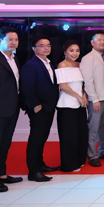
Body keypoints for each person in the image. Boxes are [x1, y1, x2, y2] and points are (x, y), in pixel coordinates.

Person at [0, 27, 23, 192]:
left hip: (12, 109)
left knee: (5, 143)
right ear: (0, 40)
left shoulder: (15, 59)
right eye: (10, 39)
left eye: (16, 39)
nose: (13, 42)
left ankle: (1, 174)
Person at [21, 35, 59, 182]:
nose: (46, 48)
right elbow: (27, 88)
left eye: (48, 45)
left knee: (42, 137)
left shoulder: (49, 63)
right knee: (36, 139)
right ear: (34, 48)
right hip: (39, 108)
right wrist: (35, 105)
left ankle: (40, 164)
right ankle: (33, 171)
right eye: (42, 45)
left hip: (49, 107)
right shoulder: (31, 65)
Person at [55, 40, 89, 172]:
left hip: (80, 105)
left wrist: (84, 95)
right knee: (69, 136)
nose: (75, 53)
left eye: (77, 50)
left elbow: (83, 84)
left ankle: (80, 160)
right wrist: (78, 96)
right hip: (66, 105)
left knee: (81, 134)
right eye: (71, 50)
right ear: (65, 52)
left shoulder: (79, 65)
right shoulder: (62, 65)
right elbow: (63, 86)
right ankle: (69, 164)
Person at [80, 32, 104, 166]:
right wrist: (94, 99)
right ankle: (92, 154)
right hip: (97, 99)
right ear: (92, 43)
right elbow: (88, 81)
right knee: (94, 128)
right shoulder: (88, 58)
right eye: (99, 40)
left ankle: (103, 151)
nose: (102, 42)